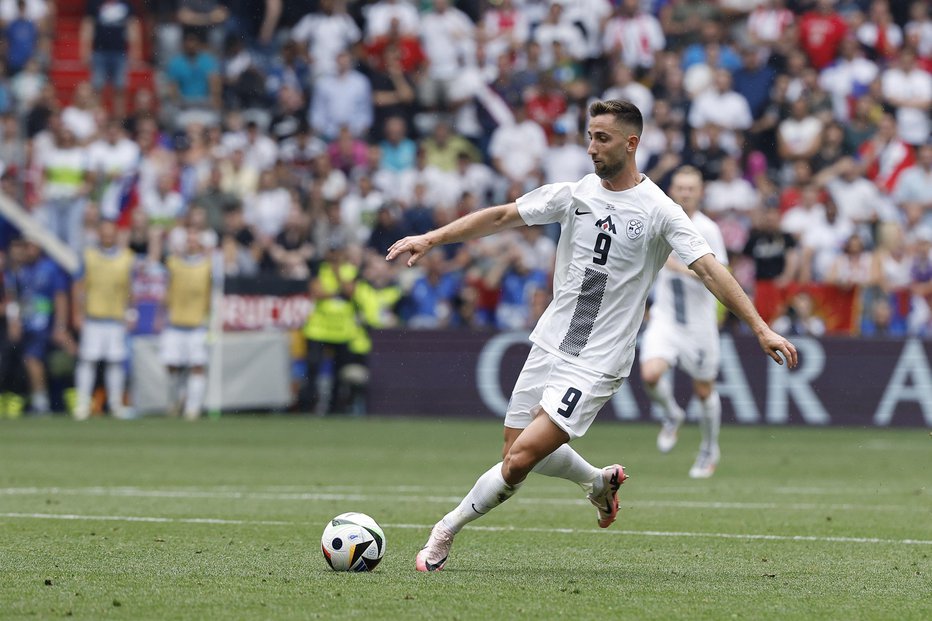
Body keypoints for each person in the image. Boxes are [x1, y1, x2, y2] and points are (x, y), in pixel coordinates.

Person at [386, 100, 798, 572]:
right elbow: (502, 216)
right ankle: (597, 484)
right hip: (550, 342)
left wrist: (760, 327)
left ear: (631, 143)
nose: (591, 148)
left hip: (598, 359)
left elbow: (709, 270)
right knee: (516, 452)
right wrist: (432, 238)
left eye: (601, 138)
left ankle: (444, 532)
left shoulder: (660, 211)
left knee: (519, 461)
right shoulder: (575, 193)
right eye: (589, 136)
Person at [638, 166, 729, 478]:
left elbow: (721, 276)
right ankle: (672, 414)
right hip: (666, 320)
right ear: (672, 190)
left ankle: (709, 448)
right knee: (650, 374)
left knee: (704, 391)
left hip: (699, 326)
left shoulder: (709, 229)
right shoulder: (660, 221)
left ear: (700, 192)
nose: (685, 193)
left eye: (691, 188)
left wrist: (681, 269)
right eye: (680, 187)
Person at [72, 220, 136, 420]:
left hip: (116, 317)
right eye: (104, 234)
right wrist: (77, 312)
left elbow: (131, 288)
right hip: (94, 317)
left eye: (111, 234)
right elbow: (78, 286)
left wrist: (131, 312)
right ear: (98, 234)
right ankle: (82, 405)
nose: (107, 237)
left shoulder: (127, 258)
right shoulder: (89, 256)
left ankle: (116, 404)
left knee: (115, 362)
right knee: (88, 360)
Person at [161, 227, 213, 420]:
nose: (191, 244)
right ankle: (176, 400)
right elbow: (166, 290)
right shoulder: (173, 263)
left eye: (194, 240)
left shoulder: (208, 266)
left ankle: (193, 407)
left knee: (197, 365)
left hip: (197, 322)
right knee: (171, 365)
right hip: (175, 321)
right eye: (188, 240)